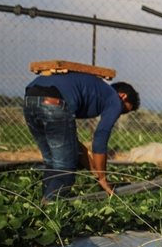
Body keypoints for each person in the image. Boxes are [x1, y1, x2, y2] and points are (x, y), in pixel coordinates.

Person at [22, 73, 140, 201]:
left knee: (52, 162)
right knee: (65, 169)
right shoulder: (114, 98)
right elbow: (100, 137)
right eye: (123, 111)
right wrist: (102, 178)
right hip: (55, 100)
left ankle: (42, 204)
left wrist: (86, 163)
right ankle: (47, 211)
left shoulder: (96, 89)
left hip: (30, 98)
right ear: (123, 96)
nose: (118, 114)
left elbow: (65, 133)